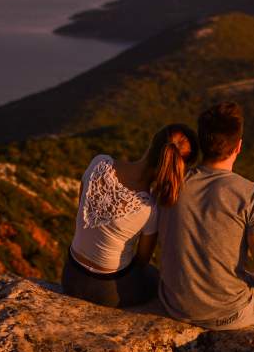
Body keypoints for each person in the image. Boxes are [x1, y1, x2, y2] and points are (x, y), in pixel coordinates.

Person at [157, 101, 254, 329]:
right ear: (238, 147)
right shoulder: (253, 195)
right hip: (226, 314)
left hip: (173, 305)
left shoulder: (173, 182)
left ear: (201, 143)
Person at [61, 124, 199, 308]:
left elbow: (81, 210)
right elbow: (142, 260)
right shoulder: (149, 209)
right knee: (153, 275)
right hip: (107, 291)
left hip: (70, 275)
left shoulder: (99, 163)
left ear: (152, 143)